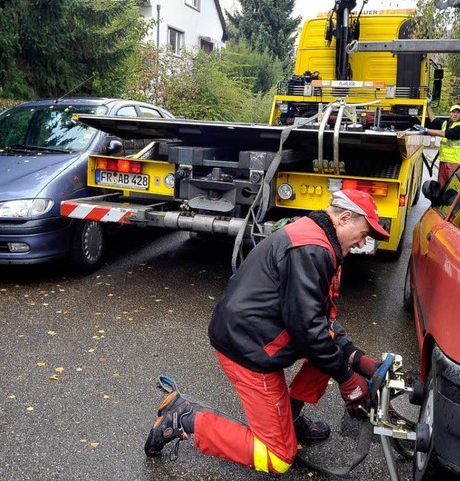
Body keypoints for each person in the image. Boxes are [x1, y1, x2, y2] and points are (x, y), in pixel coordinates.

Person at [144, 189, 389, 474]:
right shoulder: (313, 249)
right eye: (363, 233)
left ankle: (290, 419)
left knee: (325, 357)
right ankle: (184, 418)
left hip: (253, 331)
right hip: (248, 348)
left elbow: (321, 322)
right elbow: (310, 331)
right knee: (278, 458)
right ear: (345, 218)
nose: (363, 242)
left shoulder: (320, 241)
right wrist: (349, 380)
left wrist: (358, 359)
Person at [421, 103, 460, 185]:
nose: (455, 114)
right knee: (442, 187)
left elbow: (444, 133)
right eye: (453, 112)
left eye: (457, 112)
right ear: (450, 114)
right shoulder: (446, 124)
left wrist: (426, 130)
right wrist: (428, 106)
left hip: (454, 164)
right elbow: (433, 120)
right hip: (443, 162)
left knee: (452, 188)